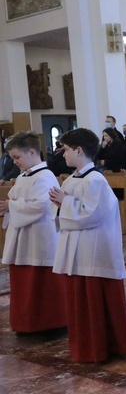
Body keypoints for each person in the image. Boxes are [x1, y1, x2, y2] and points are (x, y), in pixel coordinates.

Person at [48, 128, 126, 363]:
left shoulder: (96, 180)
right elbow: (61, 211)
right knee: (79, 302)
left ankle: (100, 347)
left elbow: (90, 215)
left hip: (92, 252)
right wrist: (58, 203)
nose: (62, 154)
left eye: (65, 149)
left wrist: (65, 203)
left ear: (79, 150)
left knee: (94, 301)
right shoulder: (71, 179)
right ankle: (83, 346)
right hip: (75, 250)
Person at [0, 131, 66, 337]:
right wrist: (9, 206)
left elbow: (41, 206)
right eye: (12, 158)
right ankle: (26, 324)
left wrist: (12, 206)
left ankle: (48, 325)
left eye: (17, 157)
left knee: (41, 284)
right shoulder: (23, 176)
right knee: (23, 283)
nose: (15, 162)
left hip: (39, 238)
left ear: (31, 152)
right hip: (23, 237)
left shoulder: (45, 176)